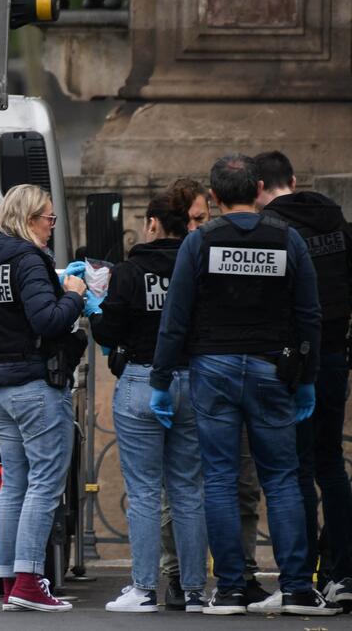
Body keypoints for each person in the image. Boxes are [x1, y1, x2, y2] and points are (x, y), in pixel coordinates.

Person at [150, 154, 339, 616]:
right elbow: (308, 314)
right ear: (258, 189)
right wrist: (308, 379)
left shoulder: (201, 243)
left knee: (218, 478)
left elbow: (176, 316)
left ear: (213, 197)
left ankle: (232, 588)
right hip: (271, 369)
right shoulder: (288, 240)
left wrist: (160, 378)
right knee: (282, 478)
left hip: (212, 368)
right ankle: (297, 588)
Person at [88, 185, 208, 613]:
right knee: (188, 491)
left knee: (142, 491)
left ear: (153, 224)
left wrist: (94, 306)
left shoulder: (129, 271)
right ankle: (194, 590)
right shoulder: (198, 265)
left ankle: (142, 589)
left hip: (141, 379)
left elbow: (107, 331)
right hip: (192, 380)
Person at [0, 183, 86, 612]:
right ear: (27, 217)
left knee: (13, 486)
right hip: (35, 387)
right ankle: (29, 581)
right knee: (43, 485)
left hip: (0, 387)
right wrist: (74, 296)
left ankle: (11, 584)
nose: (52, 227)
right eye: (48, 219)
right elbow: (47, 320)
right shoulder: (27, 258)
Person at [159, 179, 268, 608]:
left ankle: (240, 572)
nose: (197, 227)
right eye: (191, 220)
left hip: (215, 376)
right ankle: (178, 575)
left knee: (240, 483)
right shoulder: (176, 257)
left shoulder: (214, 251)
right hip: (189, 380)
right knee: (183, 488)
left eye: (202, 218)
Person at [254, 150, 352, 612]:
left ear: (258, 188)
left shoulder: (270, 233)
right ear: (294, 179)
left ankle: (302, 577)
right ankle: (344, 572)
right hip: (334, 355)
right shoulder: (337, 223)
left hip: (287, 364)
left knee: (294, 470)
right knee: (331, 462)